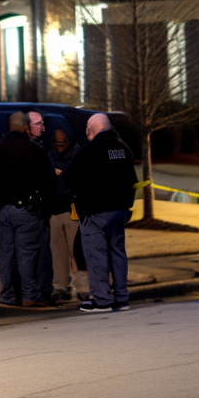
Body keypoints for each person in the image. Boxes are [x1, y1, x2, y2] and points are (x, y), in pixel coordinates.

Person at [0, 111, 57, 308]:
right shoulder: (32, 150)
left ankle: (7, 295)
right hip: (25, 210)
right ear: (26, 128)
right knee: (27, 255)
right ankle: (30, 294)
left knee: (6, 255)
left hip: (2, 210)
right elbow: (48, 179)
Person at [65, 113, 137, 313]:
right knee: (118, 254)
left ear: (91, 129)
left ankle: (102, 299)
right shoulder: (123, 149)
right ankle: (122, 297)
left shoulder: (90, 150)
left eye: (88, 128)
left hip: (95, 213)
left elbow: (71, 177)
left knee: (96, 255)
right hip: (119, 211)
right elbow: (132, 180)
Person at [47, 127, 80, 302]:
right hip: (54, 209)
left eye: (63, 143)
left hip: (71, 210)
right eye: (57, 143)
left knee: (73, 250)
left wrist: (63, 174)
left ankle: (77, 284)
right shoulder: (49, 156)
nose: (59, 147)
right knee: (57, 252)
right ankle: (61, 285)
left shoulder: (78, 156)